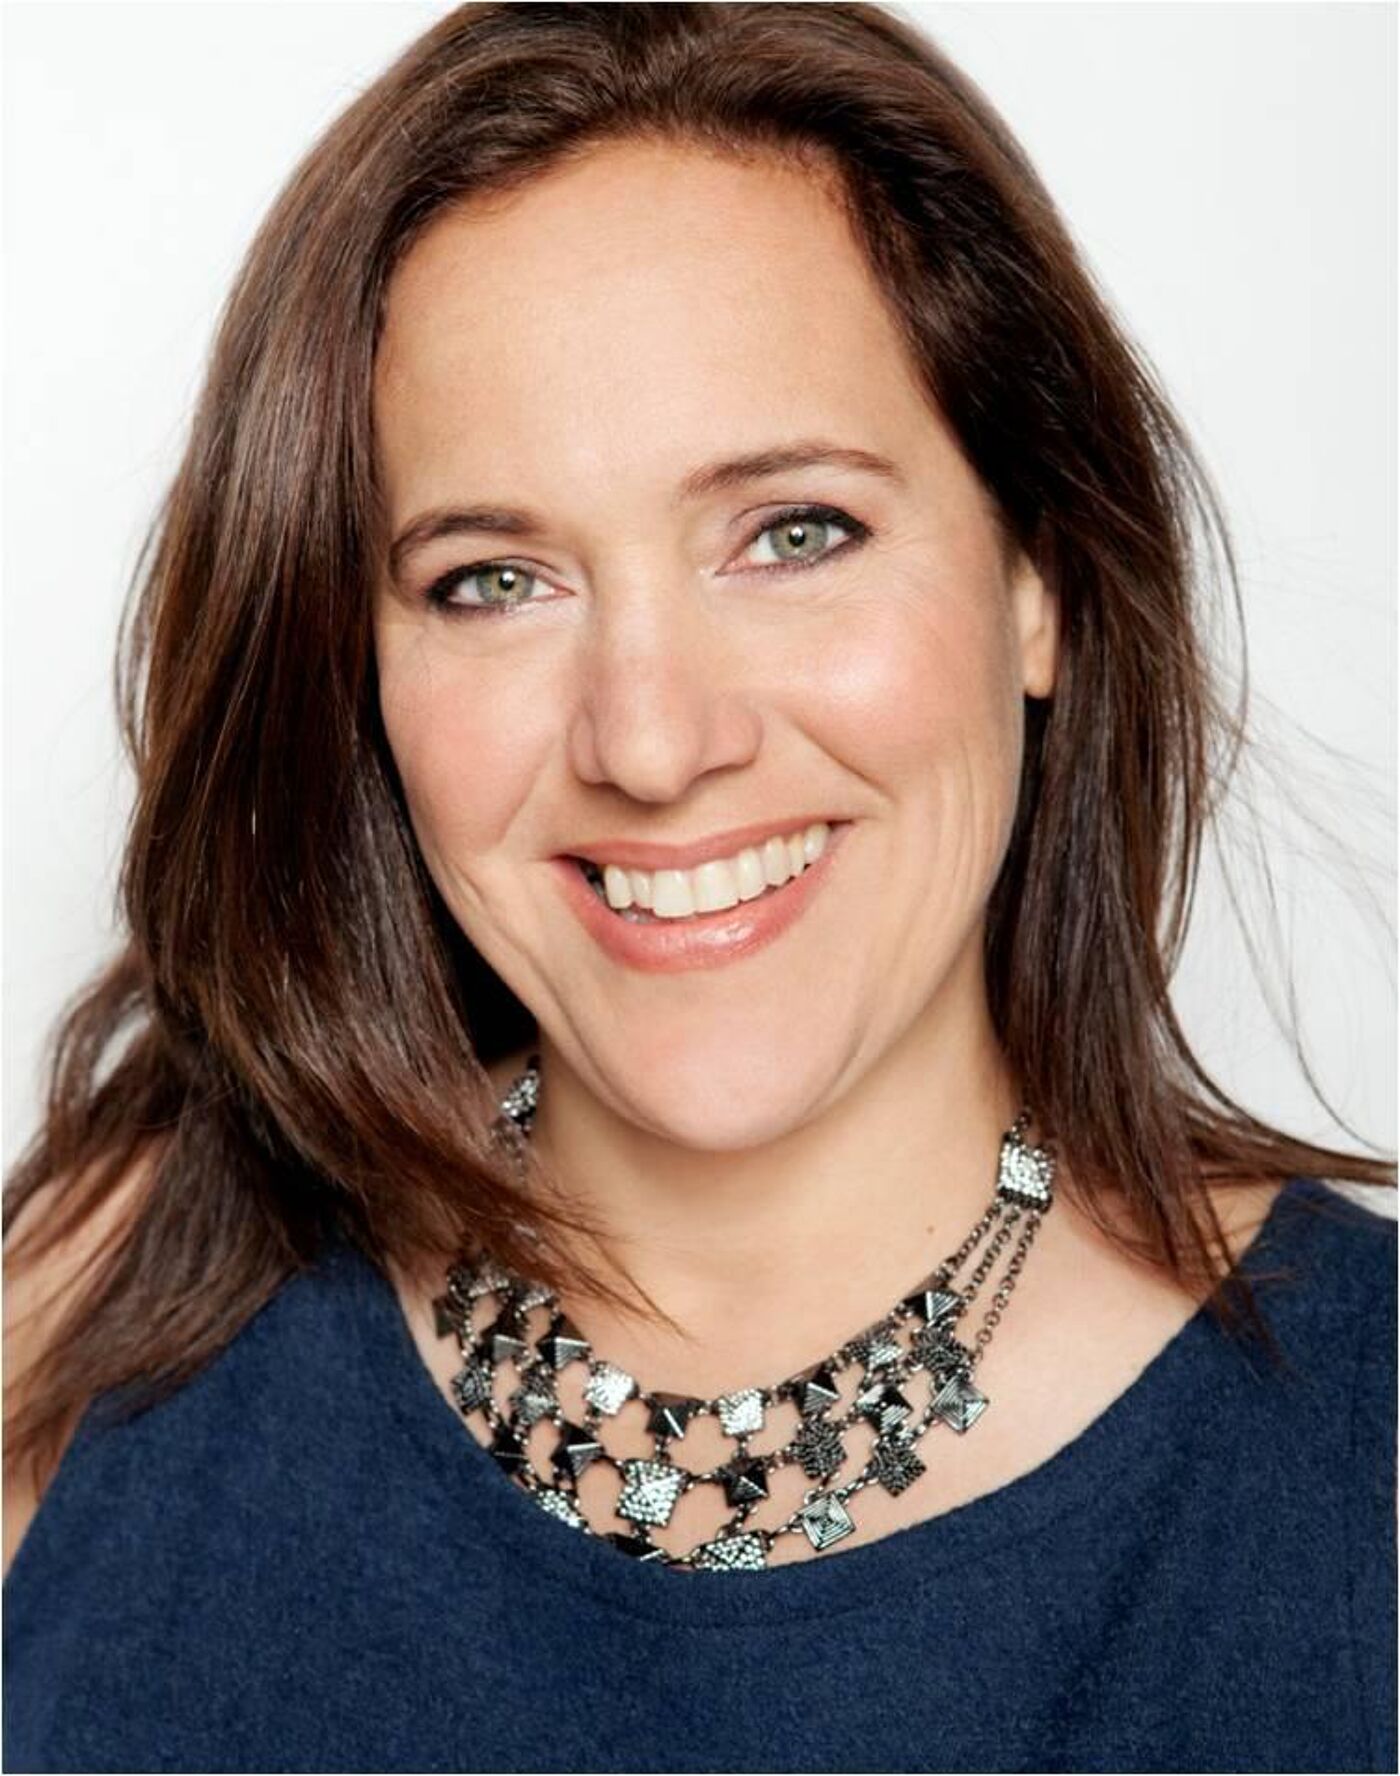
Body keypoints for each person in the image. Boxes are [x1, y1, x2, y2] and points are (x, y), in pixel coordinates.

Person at [3, 4, 1394, 1771]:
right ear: (352, 674)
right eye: (491, 578)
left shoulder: (1370, 1464)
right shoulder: (95, 1328)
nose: (652, 744)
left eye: (793, 532)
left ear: (1039, 576)